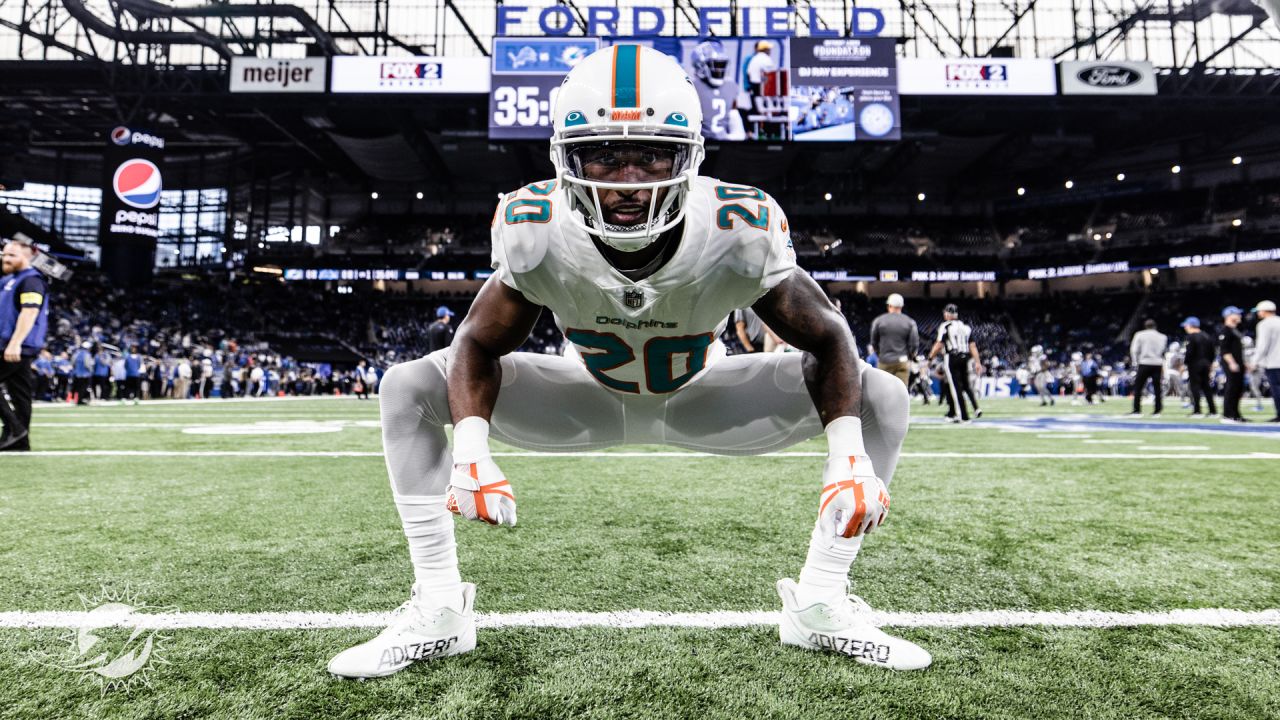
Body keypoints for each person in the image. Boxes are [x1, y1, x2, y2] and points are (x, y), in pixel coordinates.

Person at [328, 45, 925, 680]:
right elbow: (475, 341)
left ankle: (822, 601)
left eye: (651, 155)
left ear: (688, 157)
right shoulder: (537, 224)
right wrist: (471, 449)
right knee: (408, 386)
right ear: (567, 158)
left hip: (705, 398)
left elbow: (829, 334)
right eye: (605, 155)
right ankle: (440, 609)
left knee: (882, 398)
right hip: (584, 396)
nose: (628, 179)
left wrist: (846, 460)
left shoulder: (737, 224)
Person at [0, 238, 50, 451]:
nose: (5, 257)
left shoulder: (32, 280)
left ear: (27, 256)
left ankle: (15, 428)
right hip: (10, 343)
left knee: (20, 391)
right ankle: (20, 441)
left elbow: (30, 312)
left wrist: (15, 343)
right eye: (4, 253)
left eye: (12, 255)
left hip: (15, 345)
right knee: (20, 392)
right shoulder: (9, 279)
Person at [928, 303, 982, 423]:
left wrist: (930, 357)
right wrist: (978, 362)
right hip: (965, 357)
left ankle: (962, 415)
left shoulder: (946, 326)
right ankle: (963, 412)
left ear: (947, 314)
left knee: (955, 388)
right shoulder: (966, 327)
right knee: (964, 386)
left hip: (952, 357)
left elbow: (939, 344)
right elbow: (972, 346)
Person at [869, 293, 919, 386]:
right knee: (901, 392)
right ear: (901, 306)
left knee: (884, 392)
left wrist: (880, 354)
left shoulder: (879, 321)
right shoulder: (910, 322)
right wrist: (909, 357)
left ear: (889, 305)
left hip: (884, 361)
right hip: (902, 361)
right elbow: (914, 344)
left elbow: (874, 342)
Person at [1128, 319, 1167, 417]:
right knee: (1157, 388)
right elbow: (1163, 350)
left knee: (1138, 387)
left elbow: (1134, 350)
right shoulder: (1163, 337)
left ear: (1145, 326)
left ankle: (1137, 410)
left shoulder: (1139, 335)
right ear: (1155, 326)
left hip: (1144, 363)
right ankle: (1157, 410)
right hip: (1157, 363)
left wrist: (1135, 362)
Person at [1181, 316, 1217, 418]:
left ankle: (1197, 411)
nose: (1185, 328)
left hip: (1194, 364)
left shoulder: (1191, 336)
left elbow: (1189, 352)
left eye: (1186, 325)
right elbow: (1212, 352)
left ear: (1190, 325)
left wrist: (1185, 363)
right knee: (1206, 387)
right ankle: (1212, 411)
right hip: (1206, 364)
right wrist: (1209, 363)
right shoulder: (1207, 336)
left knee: (1195, 387)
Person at [1251, 300, 1280, 422]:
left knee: (1277, 389)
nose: (1258, 313)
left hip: (1273, 363)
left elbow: (1262, 346)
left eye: (1259, 311)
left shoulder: (1264, 324)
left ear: (1264, 311)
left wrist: (1254, 362)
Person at [1218, 306, 1247, 423]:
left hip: (1238, 364)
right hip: (1232, 364)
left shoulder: (1235, 330)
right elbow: (1224, 350)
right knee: (1231, 388)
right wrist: (1232, 363)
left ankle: (1235, 414)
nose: (1240, 316)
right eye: (1237, 314)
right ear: (1229, 316)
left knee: (1238, 389)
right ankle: (1227, 414)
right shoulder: (1226, 330)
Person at [70, 341, 93, 405]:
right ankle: (80, 400)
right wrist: (91, 371)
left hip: (76, 373)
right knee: (83, 388)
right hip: (84, 374)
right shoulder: (87, 354)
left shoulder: (76, 353)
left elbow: (72, 363)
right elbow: (87, 365)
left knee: (76, 387)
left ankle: (74, 399)